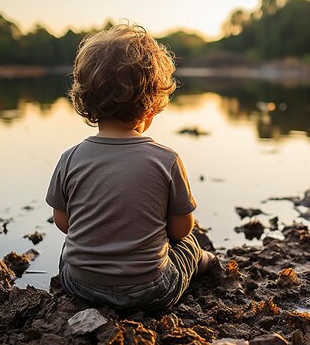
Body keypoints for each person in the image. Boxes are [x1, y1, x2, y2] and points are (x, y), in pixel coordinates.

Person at [46, 23, 215, 312]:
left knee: (69, 249)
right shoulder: (167, 159)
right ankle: (206, 262)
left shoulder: (70, 158)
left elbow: (64, 224)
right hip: (151, 292)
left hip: (81, 287)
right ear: (152, 108)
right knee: (189, 243)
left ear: (86, 101)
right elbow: (180, 229)